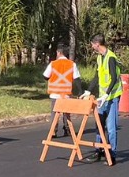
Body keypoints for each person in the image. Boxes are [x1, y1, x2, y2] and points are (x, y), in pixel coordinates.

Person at [87, 34, 121, 164]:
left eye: (92, 44)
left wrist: (107, 94)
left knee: (111, 128)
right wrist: (88, 90)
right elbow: (97, 76)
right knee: (99, 125)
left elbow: (114, 78)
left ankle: (112, 154)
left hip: (112, 97)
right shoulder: (100, 58)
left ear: (97, 44)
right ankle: (99, 151)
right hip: (102, 98)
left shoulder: (111, 57)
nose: (92, 46)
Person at [42, 44, 81, 138]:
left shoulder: (53, 64)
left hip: (55, 94)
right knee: (66, 114)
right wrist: (80, 91)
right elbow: (77, 79)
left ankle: (53, 131)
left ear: (59, 53)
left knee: (54, 114)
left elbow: (45, 76)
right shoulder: (72, 64)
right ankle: (68, 129)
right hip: (66, 94)